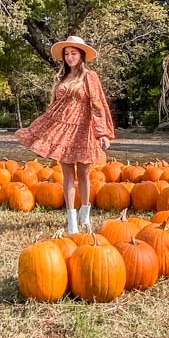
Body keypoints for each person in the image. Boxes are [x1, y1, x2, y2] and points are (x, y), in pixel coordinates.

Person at [15, 35, 115, 233]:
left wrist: (102, 133)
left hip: (83, 130)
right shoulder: (62, 78)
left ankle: (85, 217)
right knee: (67, 174)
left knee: (84, 174)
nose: (70, 57)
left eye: (73, 53)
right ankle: (71, 221)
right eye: (67, 54)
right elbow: (55, 107)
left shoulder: (89, 76)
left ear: (81, 55)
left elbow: (97, 105)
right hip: (64, 131)